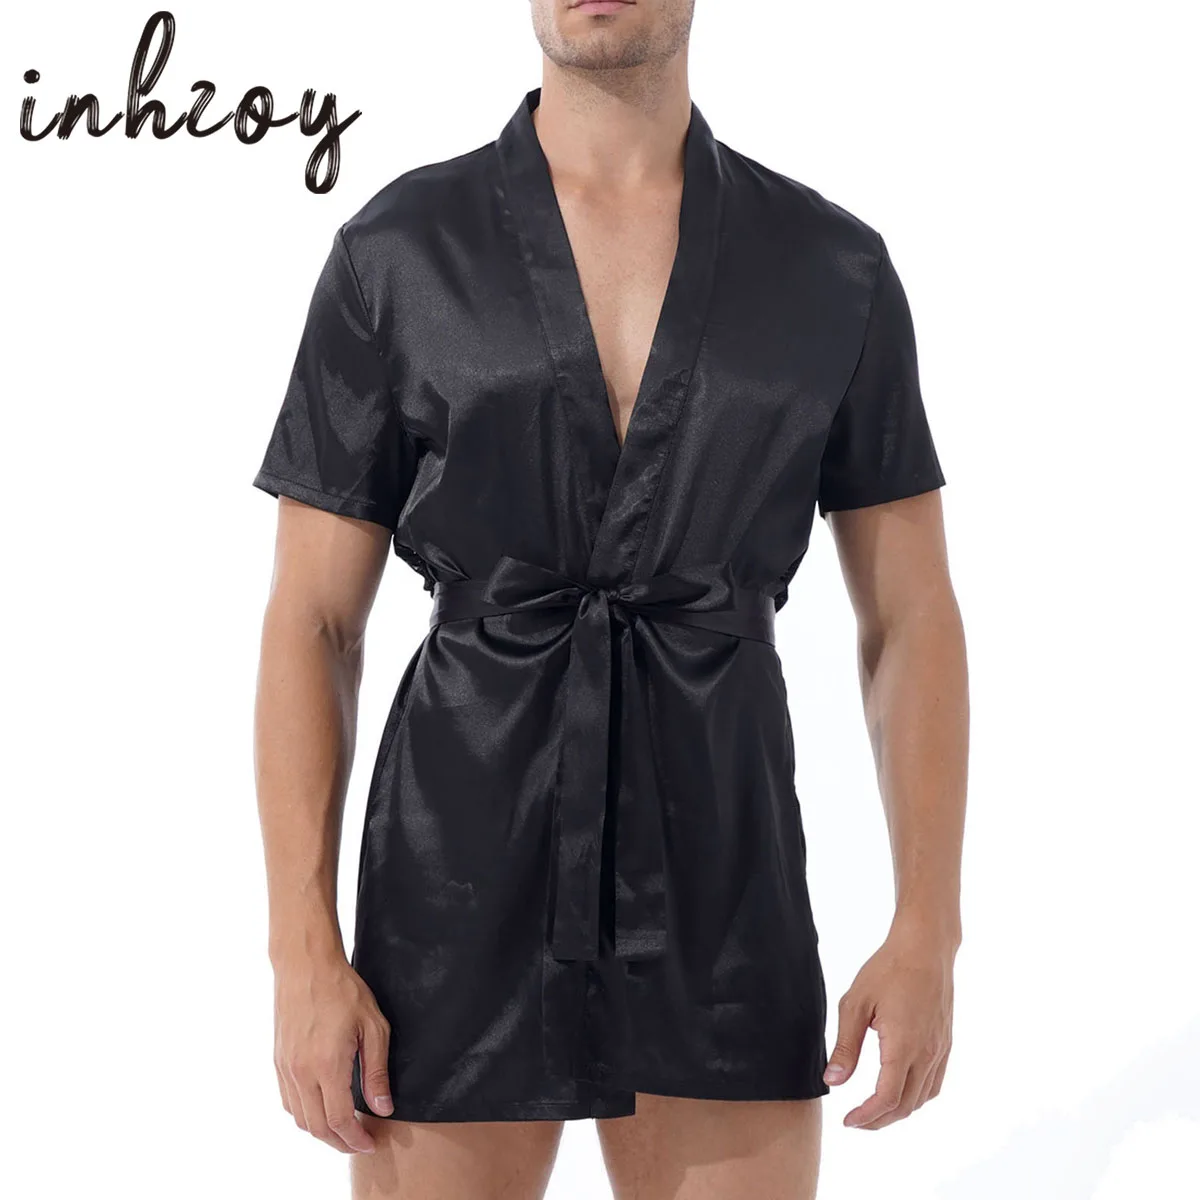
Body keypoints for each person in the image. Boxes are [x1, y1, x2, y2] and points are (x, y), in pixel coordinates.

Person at [251, 1, 969, 1196]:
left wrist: (929, 929)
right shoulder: (400, 250)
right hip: (456, 862)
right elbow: (312, 621)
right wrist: (303, 953)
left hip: (724, 862)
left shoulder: (829, 267)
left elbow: (911, 617)